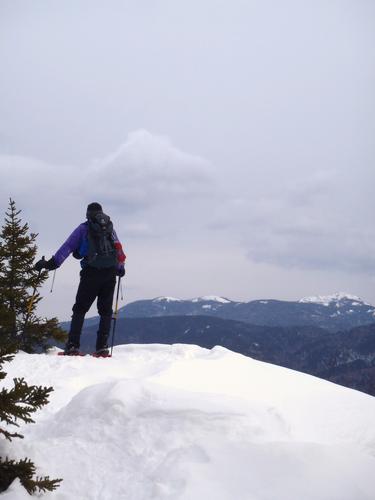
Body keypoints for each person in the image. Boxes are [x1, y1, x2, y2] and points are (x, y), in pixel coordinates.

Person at [35, 202, 126, 355]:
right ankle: (102, 348)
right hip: (110, 273)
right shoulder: (110, 228)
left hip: (91, 273)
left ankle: (72, 346)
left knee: (80, 309)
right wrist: (120, 268)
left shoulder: (83, 229)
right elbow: (119, 249)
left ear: (88, 214)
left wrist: (50, 264)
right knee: (105, 311)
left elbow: (67, 247)